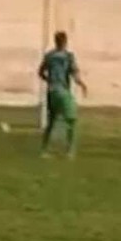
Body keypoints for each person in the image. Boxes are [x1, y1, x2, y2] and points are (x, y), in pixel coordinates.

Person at [38, 31, 87, 159]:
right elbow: (75, 75)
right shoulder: (68, 56)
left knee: (51, 121)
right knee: (71, 120)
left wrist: (49, 80)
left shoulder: (49, 55)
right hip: (63, 92)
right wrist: (82, 85)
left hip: (51, 92)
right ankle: (69, 151)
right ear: (65, 42)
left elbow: (40, 72)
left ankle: (44, 150)